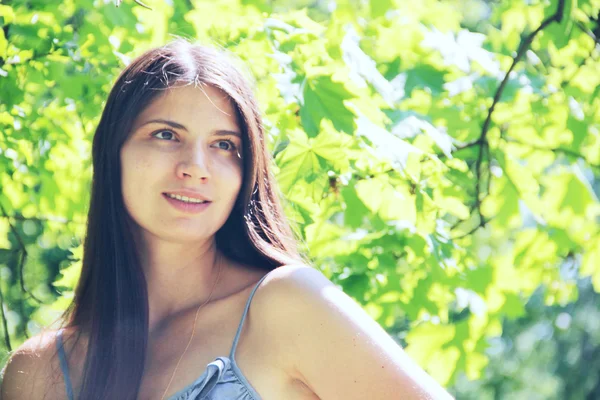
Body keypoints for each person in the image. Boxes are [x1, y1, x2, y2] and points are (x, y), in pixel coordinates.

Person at [0, 39, 454, 400]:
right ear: (113, 153)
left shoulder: (288, 307)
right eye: (165, 135)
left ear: (247, 170)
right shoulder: (38, 373)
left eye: (224, 145)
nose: (195, 166)